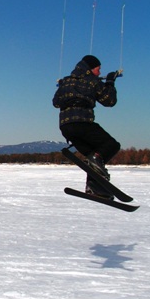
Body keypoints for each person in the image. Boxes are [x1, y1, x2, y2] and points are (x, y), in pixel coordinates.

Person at [53, 55, 121, 199]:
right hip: (82, 123)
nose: (99, 72)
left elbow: (56, 102)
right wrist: (110, 82)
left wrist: (64, 87)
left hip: (66, 127)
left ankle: (95, 188)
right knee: (111, 145)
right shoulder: (92, 81)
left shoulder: (66, 81)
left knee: (93, 157)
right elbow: (109, 101)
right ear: (90, 69)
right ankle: (95, 183)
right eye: (98, 69)